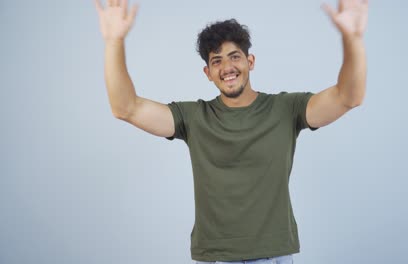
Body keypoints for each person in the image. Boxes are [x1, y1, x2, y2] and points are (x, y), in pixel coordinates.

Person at [94, 0, 368, 263]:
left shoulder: (287, 108)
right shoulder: (193, 116)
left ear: (251, 61)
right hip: (215, 258)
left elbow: (348, 97)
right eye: (216, 61)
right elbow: (125, 108)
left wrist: (353, 39)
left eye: (234, 57)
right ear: (208, 72)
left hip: (273, 256)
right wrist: (113, 42)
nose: (227, 68)